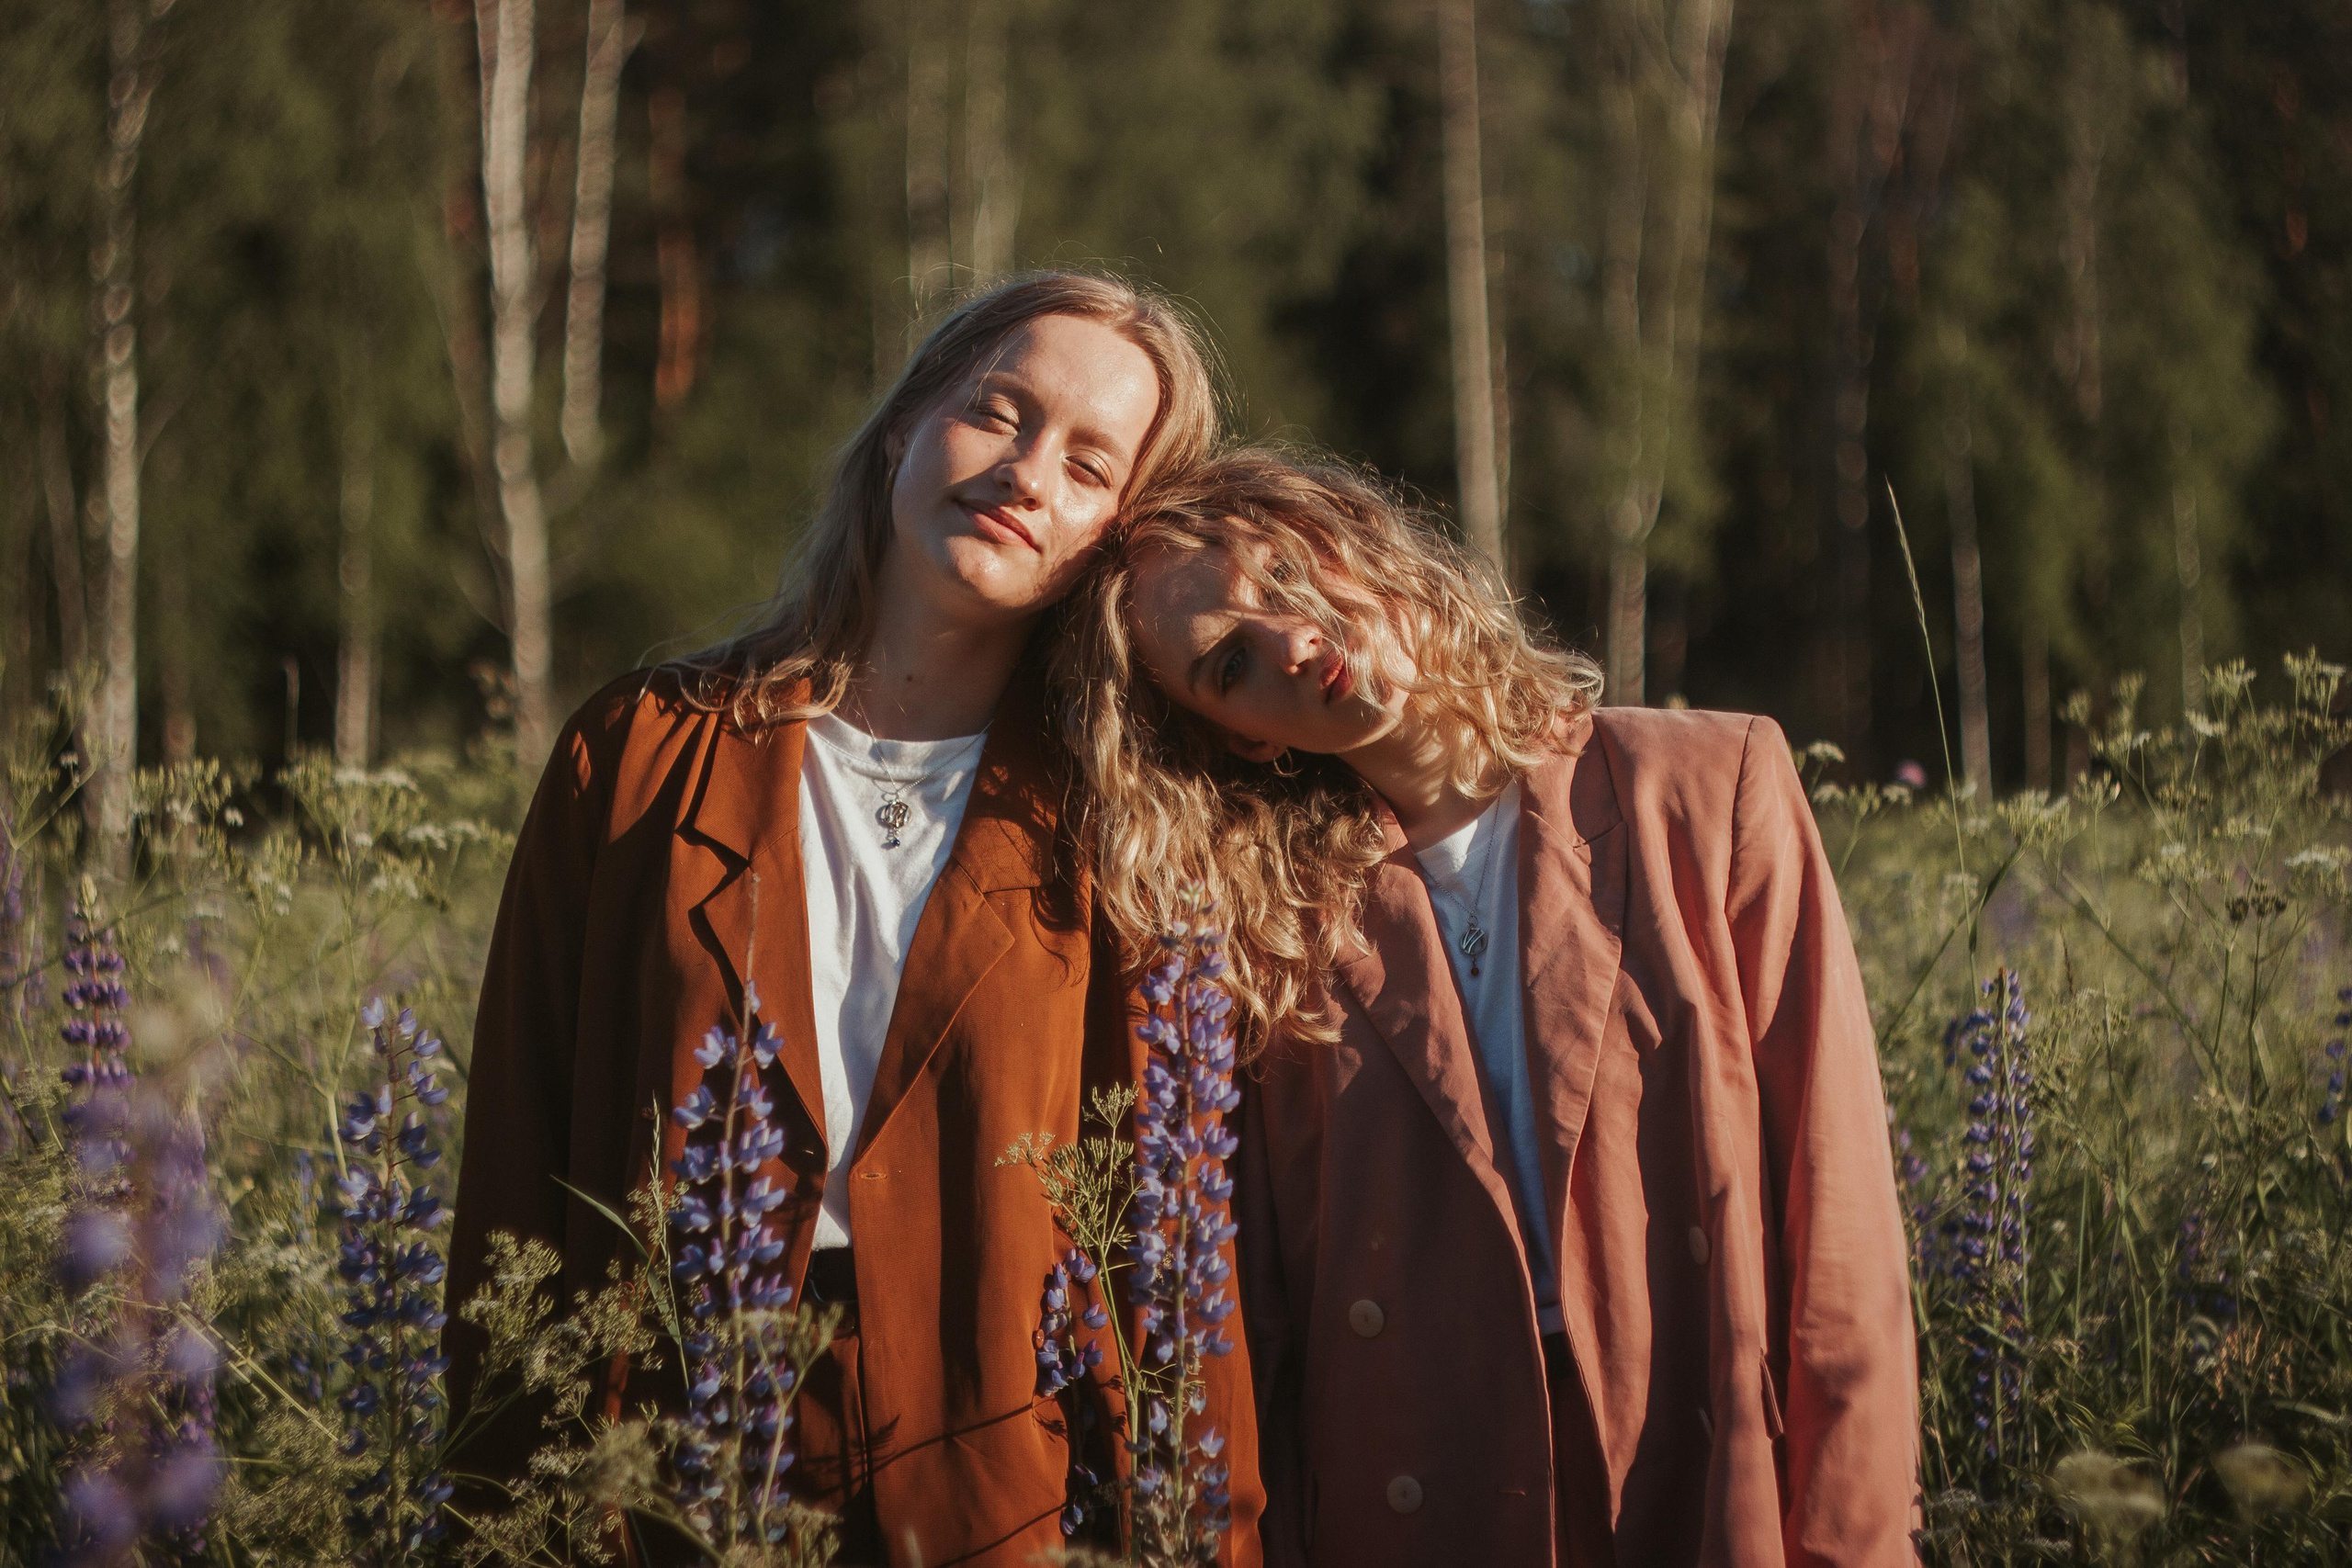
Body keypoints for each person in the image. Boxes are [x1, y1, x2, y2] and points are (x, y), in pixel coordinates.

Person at [442, 272, 1264, 1568]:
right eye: (999, 412)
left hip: (1003, 1490)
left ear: (1114, 538)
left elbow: (1172, 1251)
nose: (1028, 471)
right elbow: (513, 1175)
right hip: (670, 1472)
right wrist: (502, 1516)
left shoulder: (1126, 826)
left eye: (1090, 463)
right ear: (903, 426)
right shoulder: (643, 752)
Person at [1056, 448, 1918, 1566]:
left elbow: (1837, 1214)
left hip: (1685, 1467)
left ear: (1348, 533)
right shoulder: (1270, 937)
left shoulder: (1706, 788)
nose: (1288, 637)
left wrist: (1853, 1547)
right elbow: (1260, 1334)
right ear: (1241, 736)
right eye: (1228, 663)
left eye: (1277, 570)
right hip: (1419, 1497)